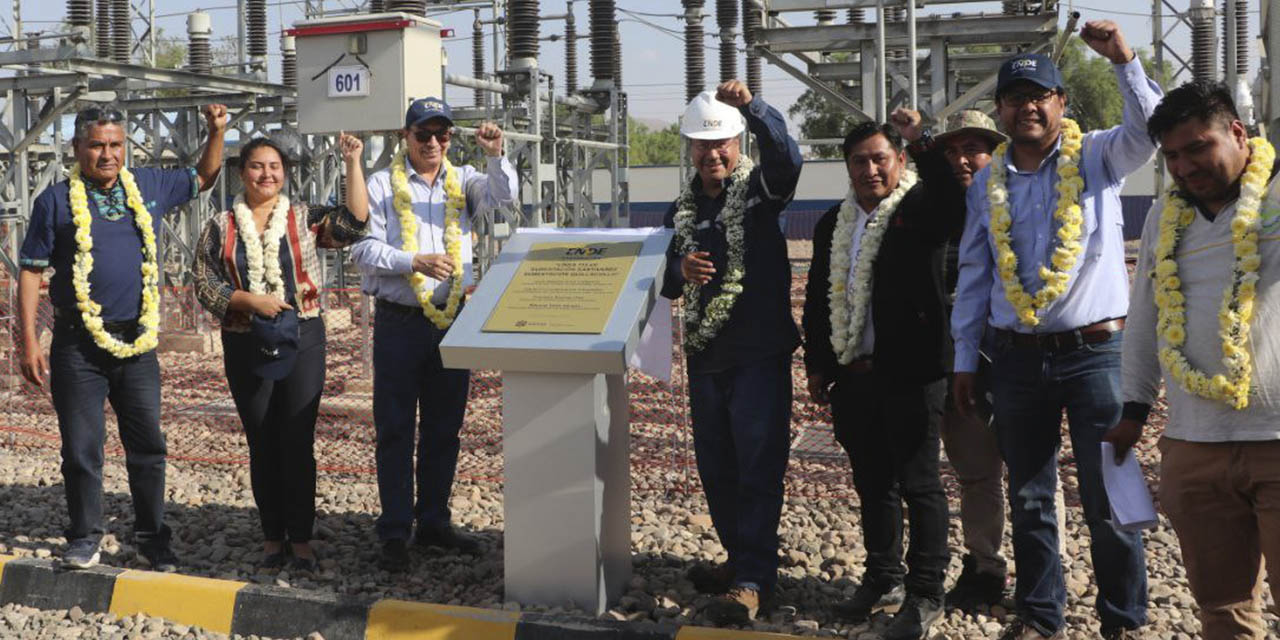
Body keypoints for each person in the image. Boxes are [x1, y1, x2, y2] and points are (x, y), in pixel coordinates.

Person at [949, 21, 1162, 640]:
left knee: (1109, 495)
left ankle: (1123, 621)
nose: (1029, 107)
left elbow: (1148, 131)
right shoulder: (987, 185)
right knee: (1032, 497)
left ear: (1062, 104)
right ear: (1002, 111)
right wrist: (967, 358)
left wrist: (1123, 59)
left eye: (1041, 95)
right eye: (1016, 98)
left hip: (1097, 353)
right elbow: (974, 274)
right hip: (1015, 360)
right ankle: (1042, 616)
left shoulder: (1097, 156)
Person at [17, 103, 228, 571]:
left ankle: (152, 535)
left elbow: (203, 177)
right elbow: (31, 272)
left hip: (137, 344)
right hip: (77, 346)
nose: (107, 154)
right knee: (81, 447)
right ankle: (85, 536)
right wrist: (29, 341)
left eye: (115, 144)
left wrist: (217, 132)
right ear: (77, 148)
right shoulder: (54, 201)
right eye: (97, 145)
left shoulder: (148, 185)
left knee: (148, 444)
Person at [1109, 80, 1280, 640]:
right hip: (1194, 444)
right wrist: (1134, 407)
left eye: (1197, 148)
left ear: (1237, 131)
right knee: (1223, 609)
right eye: (1173, 156)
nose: (1184, 167)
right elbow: (1146, 317)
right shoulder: (1166, 215)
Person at [802, 116, 964, 639]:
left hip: (913, 374)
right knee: (873, 483)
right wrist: (819, 364)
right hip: (855, 376)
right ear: (846, 167)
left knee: (920, 484)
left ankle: (925, 592)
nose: (870, 169)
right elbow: (817, 297)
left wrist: (924, 141)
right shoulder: (834, 222)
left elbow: (951, 194)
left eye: (880, 159)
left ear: (899, 161)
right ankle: (883, 576)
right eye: (858, 161)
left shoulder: (920, 210)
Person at [349, 97, 516, 571]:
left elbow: (503, 197)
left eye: (442, 135)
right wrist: (413, 262)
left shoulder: (464, 181)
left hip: (452, 319)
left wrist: (494, 154)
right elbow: (363, 252)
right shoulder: (381, 184)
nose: (434, 144)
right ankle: (396, 529)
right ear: (406, 137)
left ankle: (435, 522)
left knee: (445, 427)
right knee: (396, 428)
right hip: (400, 322)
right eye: (424, 135)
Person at [192, 134, 369, 572]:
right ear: (241, 172)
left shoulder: (305, 217)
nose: (266, 174)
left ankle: (302, 536)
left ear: (284, 173)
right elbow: (204, 281)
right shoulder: (220, 225)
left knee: (296, 437)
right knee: (262, 438)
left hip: (302, 336)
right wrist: (249, 301)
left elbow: (354, 223)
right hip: (244, 337)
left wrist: (352, 162)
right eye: (257, 166)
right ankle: (273, 535)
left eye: (274, 166)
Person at [661, 79, 803, 626]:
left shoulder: (761, 192)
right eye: (702, 145)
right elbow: (665, 280)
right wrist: (680, 270)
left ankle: (753, 577)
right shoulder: (680, 208)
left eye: (721, 143)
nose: (712, 153)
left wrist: (755, 108)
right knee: (716, 467)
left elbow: (787, 161)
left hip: (758, 356)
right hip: (706, 358)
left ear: (738, 143)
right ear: (690, 150)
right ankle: (738, 558)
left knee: (758, 466)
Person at [892, 108, 1014, 611]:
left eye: (975, 148)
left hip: (1015, 358)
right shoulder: (927, 207)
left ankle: (1043, 572)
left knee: (1032, 472)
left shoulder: (1020, 199)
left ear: (995, 153)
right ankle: (986, 565)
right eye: (952, 150)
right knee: (976, 471)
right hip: (953, 364)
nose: (964, 159)